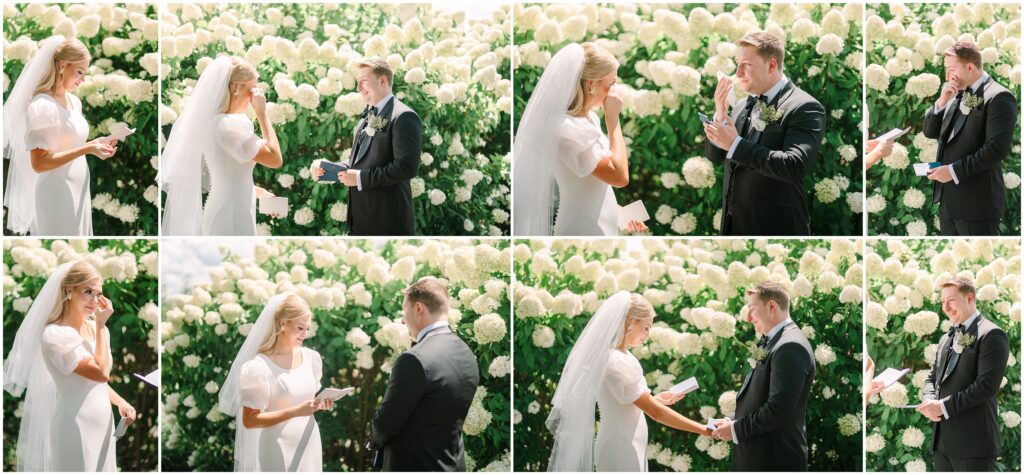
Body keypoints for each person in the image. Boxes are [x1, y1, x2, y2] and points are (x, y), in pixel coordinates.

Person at [547, 291, 710, 472]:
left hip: (629, 442)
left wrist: (657, 399)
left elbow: (627, 405)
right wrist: (703, 429)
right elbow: (656, 413)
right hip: (620, 445)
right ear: (631, 322)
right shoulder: (613, 360)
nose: (647, 336)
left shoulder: (624, 356)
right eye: (646, 328)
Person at [3, 260, 137, 471]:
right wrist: (101, 326)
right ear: (69, 291)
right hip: (75, 425)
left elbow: (93, 382)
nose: (95, 300)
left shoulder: (98, 329)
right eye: (88, 291)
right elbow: (101, 372)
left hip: (104, 425)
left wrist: (120, 402)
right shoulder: (55, 334)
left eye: (98, 293)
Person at [513, 42, 647, 236]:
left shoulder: (589, 119)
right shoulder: (564, 128)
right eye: (611, 84)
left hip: (599, 222)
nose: (616, 91)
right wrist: (613, 121)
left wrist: (621, 214)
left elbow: (592, 186)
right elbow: (619, 177)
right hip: (582, 226)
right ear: (591, 85)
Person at [704, 32, 826, 236]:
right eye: (737, 64)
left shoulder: (804, 106)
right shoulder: (743, 104)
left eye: (746, 64)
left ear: (771, 65)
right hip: (733, 227)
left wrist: (736, 145)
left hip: (776, 228)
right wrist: (720, 113)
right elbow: (715, 156)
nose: (738, 73)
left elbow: (793, 166)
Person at [4, 36, 118, 236]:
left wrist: (94, 143)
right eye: (80, 72)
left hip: (79, 186)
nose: (83, 79)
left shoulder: (74, 101)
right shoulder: (42, 106)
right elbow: (39, 164)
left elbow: (69, 143)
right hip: (56, 191)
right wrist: (88, 149)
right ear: (62, 66)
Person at [160, 55, 283, 236]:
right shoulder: (228, 125)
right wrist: (262, 114)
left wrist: (256, 191)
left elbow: (225, 175)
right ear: (235, 87)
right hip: (230, 210)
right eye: (252, 89)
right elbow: (275, 159)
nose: (255, 96)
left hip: (233, 205)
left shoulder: (217, 122)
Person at [367, 277, 479, 470]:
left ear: (419, 308)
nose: (402, 319)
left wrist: (373, 440)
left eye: (404, 309)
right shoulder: (466, 353)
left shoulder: (414, 359)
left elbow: (386, 424)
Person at [219, 293, 331, 471]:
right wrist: (297, 411)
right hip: (277, 446)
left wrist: (320, 404)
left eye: (307, 328)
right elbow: (250, 420)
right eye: (300, 328)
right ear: (282, 324)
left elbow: (306, 402)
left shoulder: (312, 358)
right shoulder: (258, 367)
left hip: (309, 442)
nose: (305, 334)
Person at [711, 282, 815, 471]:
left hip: (774, 460)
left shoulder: (790, 347)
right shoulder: (773, 340)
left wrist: (735, 430)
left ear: (772, 306)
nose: (748, 317)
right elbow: (761, 397)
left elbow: (778, 410)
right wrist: (733, 420)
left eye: (752, 310)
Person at [314, 58, 423, 236]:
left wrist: (360, 178)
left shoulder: (404, 116)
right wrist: (333, 169)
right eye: (358, 82)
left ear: (383, 80)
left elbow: (406, 168)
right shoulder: (368, 115)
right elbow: (360, 160)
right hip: (360, 218)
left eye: (364, 81)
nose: (359, 88)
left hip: (387, 220)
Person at [922, 41, 1018, 236]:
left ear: (970, 67)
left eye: (951, 70)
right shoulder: (959, 92)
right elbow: (930, 132)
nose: (947, 77)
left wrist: (953, 171)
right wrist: (942, 101)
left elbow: (996, 149)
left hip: (977, 205)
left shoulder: (999, 97)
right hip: (948, 203)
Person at [919, 277, 1009, 471]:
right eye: (942, 302)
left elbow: (985, 387)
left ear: (970, 298)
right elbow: (933, 377)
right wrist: (928, 400)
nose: (946, 307)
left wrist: (942, 406)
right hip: (942, 444)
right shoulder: (946, 338)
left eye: (951, 300)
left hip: (973, 445)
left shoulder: (992, 334)